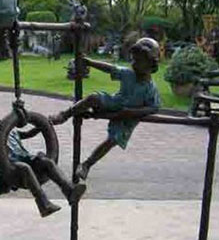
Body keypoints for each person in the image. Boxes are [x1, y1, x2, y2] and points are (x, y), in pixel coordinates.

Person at [50, 37, 162, 180]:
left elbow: (154, 108)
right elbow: (110, 69)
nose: (133, 64)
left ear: (151, 64)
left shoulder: (150, 89)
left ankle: (86, 165)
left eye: (138, 61)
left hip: (126, 119)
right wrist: (89, 62)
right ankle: (65, 114)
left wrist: (132, 112)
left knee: (112, 140)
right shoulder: (128, 74)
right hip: (116, 102)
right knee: (93, 98)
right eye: (133, 59)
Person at [0, 115, 86, 218]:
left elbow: (28, 134)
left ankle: (69, 191)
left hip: (25, 158)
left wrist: (42, 125)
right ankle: (43, 204)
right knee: (23, 167)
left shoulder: (10, 131)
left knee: (47, 162)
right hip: (7, 169)